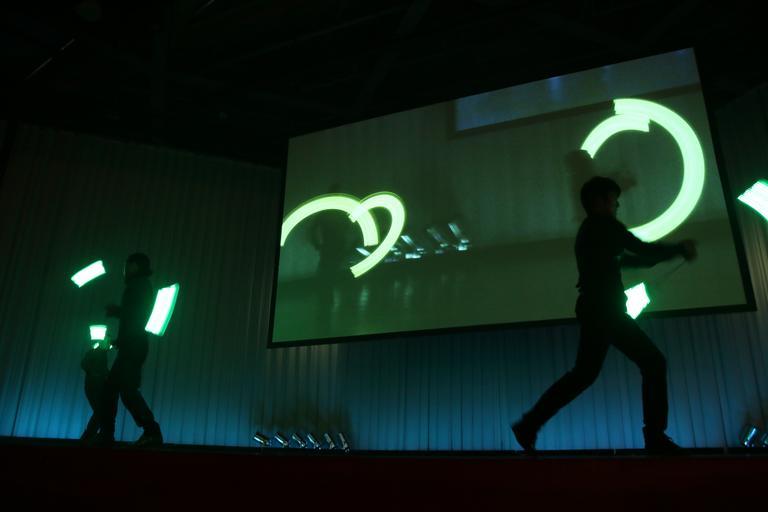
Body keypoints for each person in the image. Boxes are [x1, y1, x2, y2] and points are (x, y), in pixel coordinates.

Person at [512, 176, 697, 454]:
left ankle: (529, 424)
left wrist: (670, 253)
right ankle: (655, 438)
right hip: (605, 310)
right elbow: (643, 252)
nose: (617, 204)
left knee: (584, 375)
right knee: (652, 363)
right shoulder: (605, 227)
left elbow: (629, 258)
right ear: (599, 201)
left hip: (595, 308)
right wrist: (679, 249)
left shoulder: (590, 231)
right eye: (613, 199)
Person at [96, 253, 163, 447]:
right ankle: (108, 435)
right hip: (132, 345)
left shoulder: (138, 286)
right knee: (113, 389)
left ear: (135, 266)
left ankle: (151, 432)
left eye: (127, 266)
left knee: (125, 390)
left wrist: (120, 328)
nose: (124, 270)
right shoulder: (140, 286)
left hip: (132, 346)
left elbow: (136, 316)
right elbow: (135, 315)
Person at [79, 341, 109, 442]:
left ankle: (89, 437)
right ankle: (88, 437)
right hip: (93, 386)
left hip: (95, 386)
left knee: (100, 412)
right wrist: (95, 374)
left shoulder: (101, 353)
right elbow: (84, 364)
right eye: (108, 342)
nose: (110, 345)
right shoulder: (95, 352)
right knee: (100, 412)